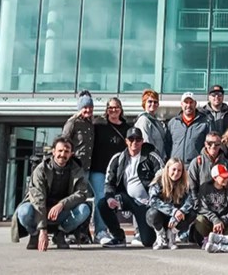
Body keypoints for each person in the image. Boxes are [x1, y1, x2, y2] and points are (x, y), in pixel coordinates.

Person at [12, 136, 92, 251]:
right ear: (53, 151)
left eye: (66, 151)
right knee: (23, 211)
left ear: (71, 154)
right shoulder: (40, 169)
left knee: (84, 209)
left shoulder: (77, 170)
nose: (62, 154)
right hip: (39, 210)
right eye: (60, 151)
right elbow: (38, 198)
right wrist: (42, 229)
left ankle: (60, 234)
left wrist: (62, 204)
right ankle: (34, 234)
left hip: (62, 212)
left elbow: (82, 194)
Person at [98, 127, 165, 248]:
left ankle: (159, 231)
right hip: (127, 198)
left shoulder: (151, 156)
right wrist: (109, 197)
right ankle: (118, 237)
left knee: (147, 241)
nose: (134, 142)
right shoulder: (118, 158)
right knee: (103, 204)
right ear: (126, 141)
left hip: (146, 203)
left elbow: (163, 177)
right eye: (131, 139)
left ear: (142, 141)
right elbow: (109, 182)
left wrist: (154, 196)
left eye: (138, 139)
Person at [89, 97, 130, 242]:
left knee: (119, 199)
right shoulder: (98, 125)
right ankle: (100, 231)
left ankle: (114, 230)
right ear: (106, 109)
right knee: (102, 197)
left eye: (116, 107)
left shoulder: (126, 128)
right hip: (99, 170)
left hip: (118, 173)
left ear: (121, 109)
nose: (113, 110)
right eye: (111, 107)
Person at [146, 157, 195, 250]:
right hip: (161, 216)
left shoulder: (185, 183)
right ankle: (160, 235)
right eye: (174, 169)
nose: (176, 173)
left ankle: (171, 234)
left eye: (179, 170)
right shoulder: (158, 181)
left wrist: (181, 212)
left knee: (192, 214)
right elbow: (153, 200)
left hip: (176, 219)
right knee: (152, 214)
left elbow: (191, 200)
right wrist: (173, 211)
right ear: (167, 169)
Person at [194, 164, 228, 243]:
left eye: (227, 177)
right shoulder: (205, 187)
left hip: (224, 223)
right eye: (223, 177)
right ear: (215, 178)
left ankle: (222, 240)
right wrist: (215, 220)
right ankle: (207, 238)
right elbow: (202, 208)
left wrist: (221, 221)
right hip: (210, 221)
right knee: (199, 220)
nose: (226, 179)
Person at [167, 91, 209, 166]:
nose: (188, 105)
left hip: (195, 167)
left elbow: (208, 146)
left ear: (195, 104)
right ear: (181, 104)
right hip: (176, 167)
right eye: (186, 102)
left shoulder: (205, 123)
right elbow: (167, 144)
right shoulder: (173, 123)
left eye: (191, 102)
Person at [61, 91, 95, 175]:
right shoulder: (72, 123)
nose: (88, 110)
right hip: (75, 167)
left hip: (88, 167)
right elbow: (63, 142)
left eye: (90, 107)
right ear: (80, 109)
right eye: (85, 107)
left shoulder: (91, 124)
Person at [134, 89, 169, 160]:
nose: (153, 104)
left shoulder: (158, 122)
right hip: (149, 160)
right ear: (144, 103)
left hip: (159, 159)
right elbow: (146, 143)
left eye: (155, 102)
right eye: (150, 101)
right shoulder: (143, 120)